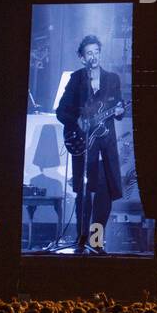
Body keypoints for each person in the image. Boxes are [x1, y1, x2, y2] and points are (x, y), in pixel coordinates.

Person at [55, 34, 125, 255]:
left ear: (100, 53)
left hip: (106, 146)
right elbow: (61, 111)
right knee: (84, 194)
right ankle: (81, 238)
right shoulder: (76, 79)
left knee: (105, 196)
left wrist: (121, 111)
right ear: (82, 57)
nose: (93, 57)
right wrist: (77, 119)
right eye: (89, 53)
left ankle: (96, 242)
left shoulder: (112, 79)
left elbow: (119, 106)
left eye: (96, 52)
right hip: (84, 147)